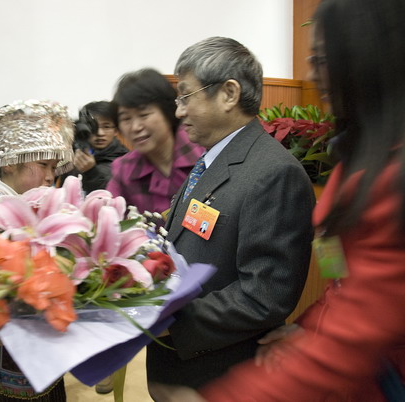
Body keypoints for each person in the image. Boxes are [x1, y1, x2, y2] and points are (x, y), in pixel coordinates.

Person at [155, 1, 405, 401]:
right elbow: (342, 282)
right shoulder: (355, 161)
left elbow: (276, 296)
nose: (311, 74)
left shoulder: (276, 172)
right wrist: (309, 329)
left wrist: (171, 323)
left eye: (321, 59)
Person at [146, 37, 315, 400]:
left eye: (186, 96)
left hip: (221, 375)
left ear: (228, 93)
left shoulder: (273, 173)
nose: (179, 112)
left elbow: (264, 295)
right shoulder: (213, 159)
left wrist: (169, 321)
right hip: (179, 366)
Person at [0, 99, 73, 401]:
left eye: (54, 167)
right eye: (43, 165)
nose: (50, 176)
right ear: (9, 163)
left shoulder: (37, 210)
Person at [106, 68, 204, 224]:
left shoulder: (204, 154)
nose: (135, 127)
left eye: (144, 115)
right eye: (126, 119)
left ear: (168, 112)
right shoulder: (124, 171)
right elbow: (109, 219)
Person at [65, 101, 128, 194]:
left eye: (106, 127)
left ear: (116, 130)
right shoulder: (74, 153)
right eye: (93, 126)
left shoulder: (126, 160)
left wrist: (91, 172)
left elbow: (113, 196)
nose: (100, 133)